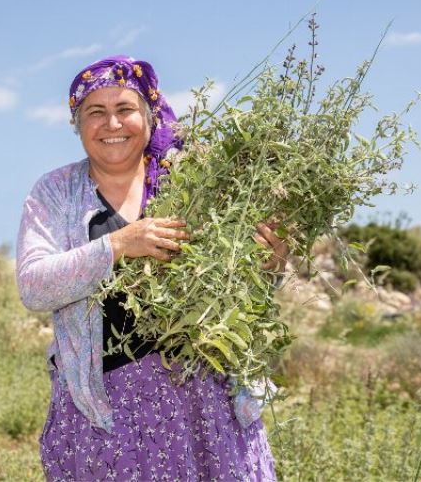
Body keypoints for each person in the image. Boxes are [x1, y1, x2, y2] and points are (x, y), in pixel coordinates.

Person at [16, 55, 289, 481]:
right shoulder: (55, 192)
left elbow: (242, 287)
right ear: (76, 123)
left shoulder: (194, 179)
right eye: (95, 112)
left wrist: (270, 264)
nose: (112, 124)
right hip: (105, 412)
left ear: (148, 114)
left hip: (208, 400)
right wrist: (119, 244)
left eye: (125, 109)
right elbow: (34, 286)